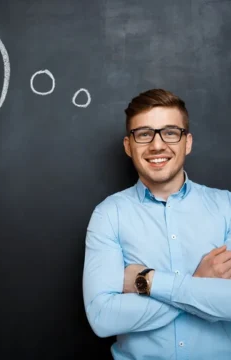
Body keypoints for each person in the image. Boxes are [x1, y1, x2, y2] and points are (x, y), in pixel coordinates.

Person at [82, 88, 231, 360]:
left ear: (188, 142)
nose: (157, 145)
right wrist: (199, 285)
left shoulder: (227, 207)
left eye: (171, 132)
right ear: (128, 145)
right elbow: (102, 318)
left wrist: (148, 282)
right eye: (144, 134)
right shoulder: (108, 215)